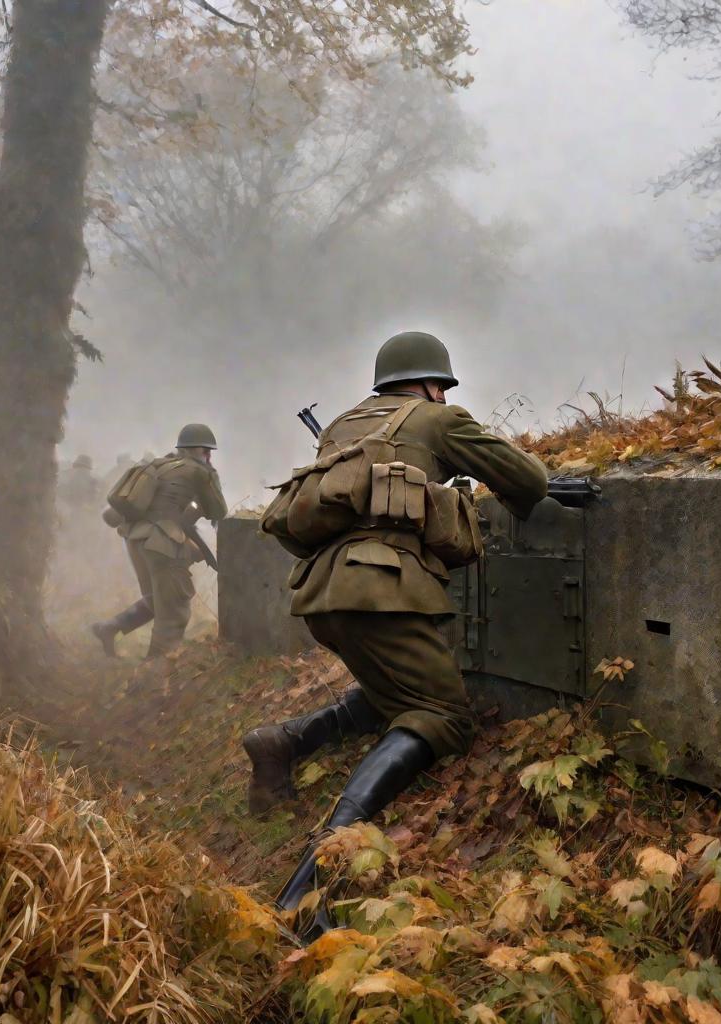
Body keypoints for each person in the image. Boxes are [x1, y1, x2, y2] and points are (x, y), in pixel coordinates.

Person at [244, 330, 547, 926]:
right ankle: (312, 884)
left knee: (393, 695)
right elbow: (528, 480)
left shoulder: (341, 426)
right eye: (442, 387)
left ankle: (284, 740)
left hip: (324, 592)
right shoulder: (438, 420)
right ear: (435, 383)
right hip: (382, 590)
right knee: (441, 716)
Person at [91, 425, 227, 659]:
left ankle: (110, 627)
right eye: (207, 451)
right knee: (174, 614)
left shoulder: (159, 465)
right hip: (162, 544)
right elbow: (219, 510)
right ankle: (152, 678)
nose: (209, 456)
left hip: (136, 540)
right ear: (199, 450)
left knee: (156, 601)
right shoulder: (199, 471)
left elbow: (116, 513)